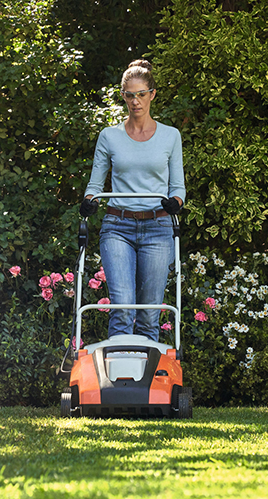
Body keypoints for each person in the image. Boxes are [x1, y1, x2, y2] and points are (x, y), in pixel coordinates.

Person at [79, 59, 186, 342]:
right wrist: (89, 201)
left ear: (152, 94)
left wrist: (175, 203)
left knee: (150, 314)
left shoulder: (170, 136)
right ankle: (118, 381)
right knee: (123, 309)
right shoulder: (109, 137)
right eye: (129, 95)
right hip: (118, 226)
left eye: (141, 94)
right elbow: (94, 185)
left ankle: (147, 385)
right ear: (123, 96)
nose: (135, 101)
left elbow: (178, 188)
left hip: (158, 228)